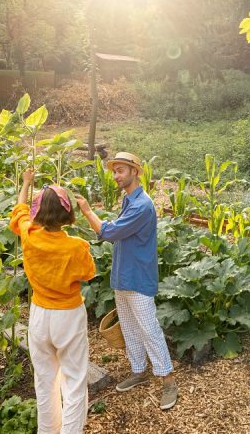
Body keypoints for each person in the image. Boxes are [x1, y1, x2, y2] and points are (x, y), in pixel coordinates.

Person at [75, 152, 178, 411]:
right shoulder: (129, 200)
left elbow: (108, 232)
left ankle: (168, 381)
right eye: (115, 171)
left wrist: (87, 210)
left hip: (138, 278)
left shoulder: (142, 205)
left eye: (121, 170)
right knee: (130, 328)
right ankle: (139, 371)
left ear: (135, 171)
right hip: (123, 275)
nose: (116, 176)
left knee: (149, 329)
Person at [9, 169, 96, 434]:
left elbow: (19, 210)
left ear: (38, 213)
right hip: (67, 316)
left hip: (39, 315)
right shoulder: (77, 246)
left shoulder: (29, 235)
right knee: (74, 380)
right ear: (67, 215)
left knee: (45, 381)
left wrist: (25, 182)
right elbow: (88, 273)